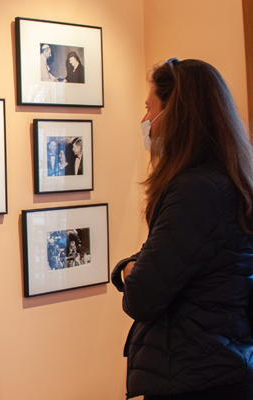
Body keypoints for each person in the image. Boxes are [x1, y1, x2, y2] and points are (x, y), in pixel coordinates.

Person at [111, 58, 253, 399]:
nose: (146, 121)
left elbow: (143, 295)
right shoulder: (227, 179)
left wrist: (131, 271)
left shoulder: (195, 189)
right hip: (221, 367)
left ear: (177, 113)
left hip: (196, 376)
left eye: (150, 109)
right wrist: (129, 268)